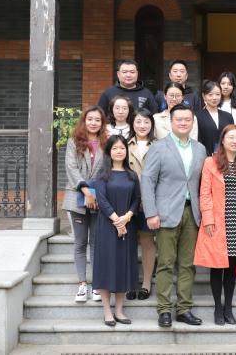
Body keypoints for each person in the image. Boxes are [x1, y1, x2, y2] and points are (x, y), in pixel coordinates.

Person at [141, 104, 207, 327]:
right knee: (166, 263)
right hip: (165, 213)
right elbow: (147, 180)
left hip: (192, 213)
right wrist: (151, 212)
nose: (183, 123)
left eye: (187, 119)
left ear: (192, 122)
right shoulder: (159, 147)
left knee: (188, 264)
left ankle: (184, 309)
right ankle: (164, 310)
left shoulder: (200, 149)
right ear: (171, 122)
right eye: (179, 119)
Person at [194, 125, 236, 325]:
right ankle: (217, 308)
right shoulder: (210, 162)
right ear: (223, 140)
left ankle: (228, 307)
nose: (235, 141)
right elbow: (205, 193)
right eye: (231, 137)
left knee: (231, 267)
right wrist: (208, 218)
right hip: (217, 221)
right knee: (217, 266)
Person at [92, 135, 140, 327]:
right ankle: (107, 311)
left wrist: (127, 217)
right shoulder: (102, 175)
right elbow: (102, 201)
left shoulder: (132, 175)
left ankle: (119, 310)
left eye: (122, 148)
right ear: (109, 152)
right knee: (106, 267)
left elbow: (137, 199)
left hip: (128, 226)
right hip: (107, 226)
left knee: (123, 267)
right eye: (115, 148)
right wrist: (117, 221)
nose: (119, 151)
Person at [62, 106, 107, 303]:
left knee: (96, 243)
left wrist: (96, 195)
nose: (93, 123)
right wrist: (87, 191)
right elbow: (71, 168)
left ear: (102, 123)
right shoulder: (74, 142)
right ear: (84, 121)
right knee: (80, 243)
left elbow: (106, 171)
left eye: (97, 120)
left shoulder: (106, 143)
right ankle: (82, 284)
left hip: (98, 200)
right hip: (77, 198)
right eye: (90, 119)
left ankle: (96, 284)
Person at [126, 108, 157, 300]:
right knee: (128, 242)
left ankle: (146, 283)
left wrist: (150, 200)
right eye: (138, 121)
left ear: (152, 124)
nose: (142, 125)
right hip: (127, 201)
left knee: (147, 241)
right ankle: (129, 282)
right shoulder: (123, 144)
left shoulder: (159, 145)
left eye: (146, 121)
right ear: (132, 123)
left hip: (149, 201)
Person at [196, 80, 234, 156]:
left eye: (217, 94)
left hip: (226, 157)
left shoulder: (228, 116)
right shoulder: (197, 116)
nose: (214, 98)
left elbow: (232, 137)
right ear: (203, 96)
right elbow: (197, 139)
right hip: (204, 157)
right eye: (210, 95)